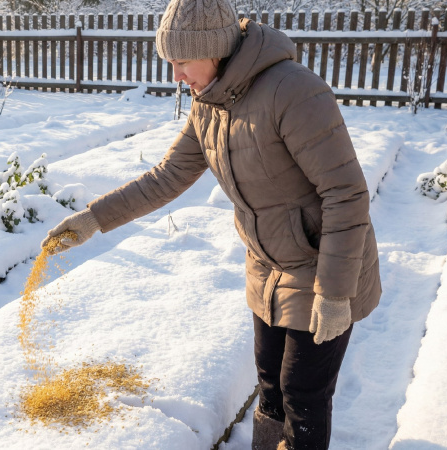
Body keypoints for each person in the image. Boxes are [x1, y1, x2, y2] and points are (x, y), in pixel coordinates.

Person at [40, 0, 381, 449]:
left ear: (214, 50)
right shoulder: (211, 103)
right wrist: (92, 219)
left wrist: (335, 293)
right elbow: (165, 178)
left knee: (304, 394)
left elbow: (346, 194)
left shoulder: (293, 92)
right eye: (170, 63)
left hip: (324, 268)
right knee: (271, 386)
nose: (176, 76)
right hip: (267, 267)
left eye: (182, 62)